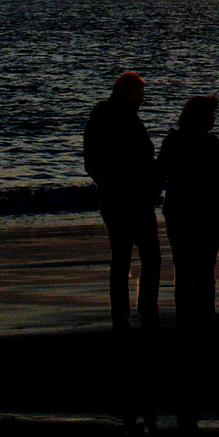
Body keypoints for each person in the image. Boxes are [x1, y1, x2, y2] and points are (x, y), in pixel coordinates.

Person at [158, 95, 219, 430]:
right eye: (212, 113)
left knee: (184, 269)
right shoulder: (213, 145)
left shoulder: (173, 142)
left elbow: (159, 176)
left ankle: (186, 329)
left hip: (180, 213)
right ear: (202, 117)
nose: (215, 118)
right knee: (205, 271)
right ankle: (204, 324)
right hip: (207, 214)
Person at [83, 71, 161, 331]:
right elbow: (94, 162)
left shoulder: (105, 116)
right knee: (147, 256)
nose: (142, 100)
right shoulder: (115, 117)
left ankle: (124, 313)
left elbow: (92, 163)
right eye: (138, 94)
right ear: (124, 92)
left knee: (124, 257)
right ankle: (144, 309)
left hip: (120, 198)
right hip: (128, 199)